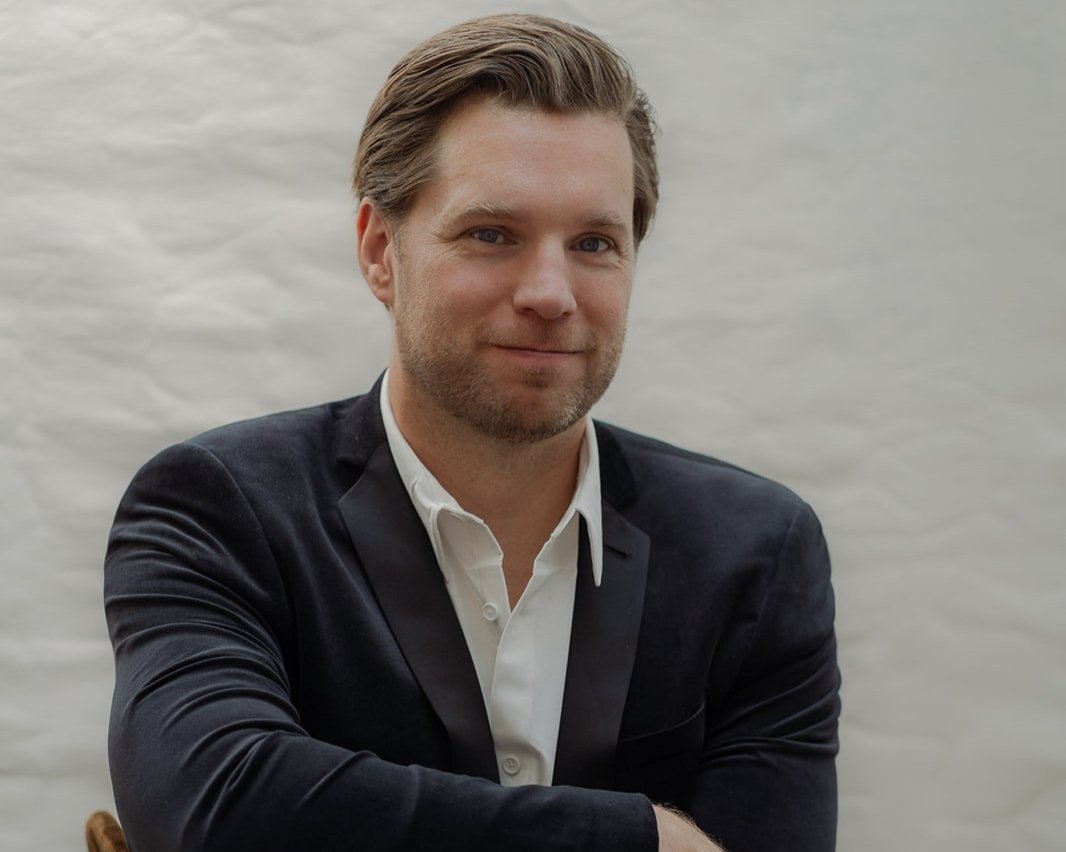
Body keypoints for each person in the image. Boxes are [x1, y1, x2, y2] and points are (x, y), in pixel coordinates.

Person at [104, 13, 840, 852]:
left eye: (596, 242)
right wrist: (644, 839)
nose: (550, 292)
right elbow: (218, 807)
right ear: (381, 250)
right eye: (493, 234)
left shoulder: (755, 549)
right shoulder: (218, 507)